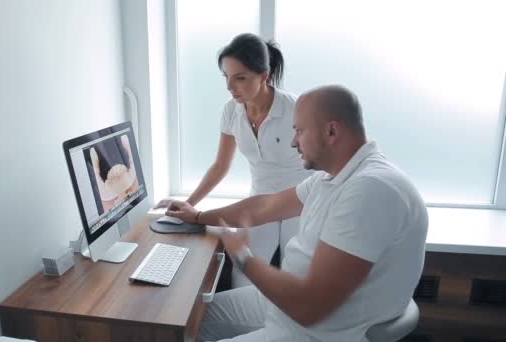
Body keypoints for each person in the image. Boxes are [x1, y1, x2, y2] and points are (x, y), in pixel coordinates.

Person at [166, 85, 429, 341]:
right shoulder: (332, 178)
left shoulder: (370, 190)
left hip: (313, 330)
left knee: (186, 325)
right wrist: (198, 216)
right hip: (285, 302)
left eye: (299, 131)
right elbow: (264, 207)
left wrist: (244, 257)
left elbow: (308, 308)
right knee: (189, 320)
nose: (293, 142)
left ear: (331, 131)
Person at [156, 33, 314, 287]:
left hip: (298, 201)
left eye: (240, 78)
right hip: (258, 201)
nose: (230, 87)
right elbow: (220, 166)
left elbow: (321, 163)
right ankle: (245, 323)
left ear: (264, 75)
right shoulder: (231, 112)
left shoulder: (295, 109)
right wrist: (186, 205)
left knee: (294, 271)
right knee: (242, 272)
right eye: (227, 78)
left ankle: (283, 326)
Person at [89, 134, 139, 212]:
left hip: (105, 167)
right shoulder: (129, 181)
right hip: (117, 158)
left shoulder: (107, 195)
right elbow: (131, 158)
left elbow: (96, 174)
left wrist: (93, 156)